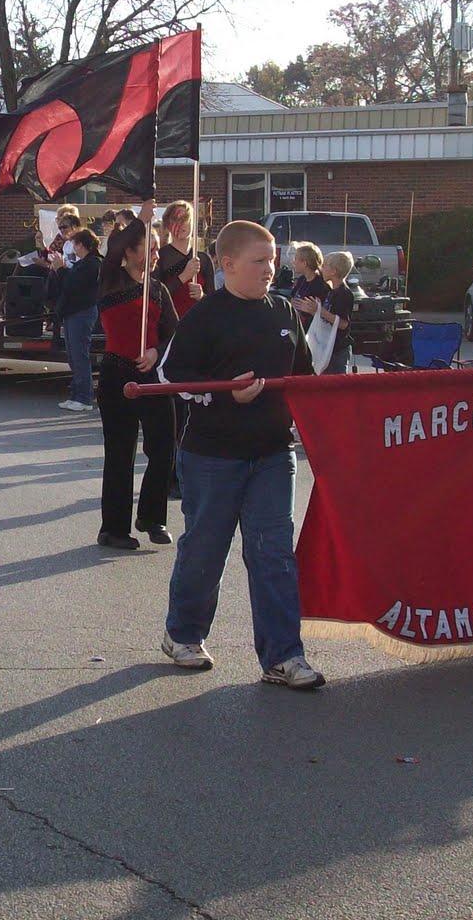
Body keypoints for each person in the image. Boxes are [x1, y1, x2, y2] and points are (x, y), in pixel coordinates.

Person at [157, 218, 323, 689]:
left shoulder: (284, 311)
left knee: (274, 554)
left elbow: (305, 378)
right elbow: (171, 374)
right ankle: (183, 634)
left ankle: (283, 656)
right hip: (213, 455)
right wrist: (225, 392)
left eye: (273, 260)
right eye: (259, 261)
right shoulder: (205, 315)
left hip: (274, 453)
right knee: (206, 548)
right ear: (227, 264)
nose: (270, 269)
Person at [95, 215, 179, 548]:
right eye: (150, 248)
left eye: (158, 249)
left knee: (164, 444)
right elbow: (113, 248)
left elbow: (174, 333)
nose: (157, 255)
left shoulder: (158, 289)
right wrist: (142, 219)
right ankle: (113, 529)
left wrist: (157, 351)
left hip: (152, 376)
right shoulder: (111, 279)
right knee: (120, 452)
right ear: (130, 251)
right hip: (117, 373)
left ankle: (152, 517)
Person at [51, 228, 101, 412]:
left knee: (80, 356)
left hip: (82, 312)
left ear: (81, 245)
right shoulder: (83, 263)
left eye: (75, 243)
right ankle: (76, 395)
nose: (73, 247)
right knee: (73, 356)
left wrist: (61, 269)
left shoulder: (93, 263)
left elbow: (74, 285)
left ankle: (84, 398)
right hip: (73, 312)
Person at [296, 250, 354, 375]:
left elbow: (343, 324)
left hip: (338, 349)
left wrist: (320, 311)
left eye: (325, 266)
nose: (321, 269)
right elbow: (325, 315)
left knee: (335, 382)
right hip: (326, 345)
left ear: (333, 271)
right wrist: (313, 311)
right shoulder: (330, 291)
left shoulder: (344, 293)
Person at [287, 242, 326, 327]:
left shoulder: (321, 285)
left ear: (304, 263)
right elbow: (293, 299)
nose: (293, 262)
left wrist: (312, 311)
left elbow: (323, 314)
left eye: (295, 259)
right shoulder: (302, 280)